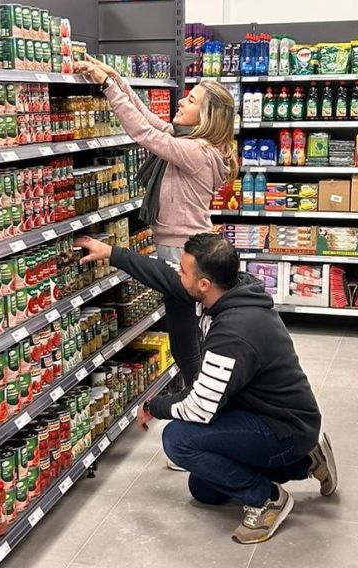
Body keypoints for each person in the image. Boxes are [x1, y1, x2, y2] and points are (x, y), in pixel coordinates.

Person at [75, 232, 338, 544]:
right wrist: (111, 252)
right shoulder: (229, 288)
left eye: (184, 271)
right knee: (204, 490)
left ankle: (267, 499)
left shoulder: (234, 333)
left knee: (178, 439)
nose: (178, 276)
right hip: (268, 412)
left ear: (203, 284)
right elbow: (163, 275)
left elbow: (201, 405)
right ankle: (307, 461)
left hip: (282, 426)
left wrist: (154, 406)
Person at [74, 56, 237, 412]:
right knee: (186, 339)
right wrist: (118, 80)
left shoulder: (196, 152)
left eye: (191, 100)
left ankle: (201, 414)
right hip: (183, 248)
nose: (182, 101)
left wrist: (106, 87)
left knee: (184, 344)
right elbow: (151, 122)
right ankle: (199, 405)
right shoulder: (192, 143)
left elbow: (143, 133)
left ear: (207, 117)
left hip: (183, 254)